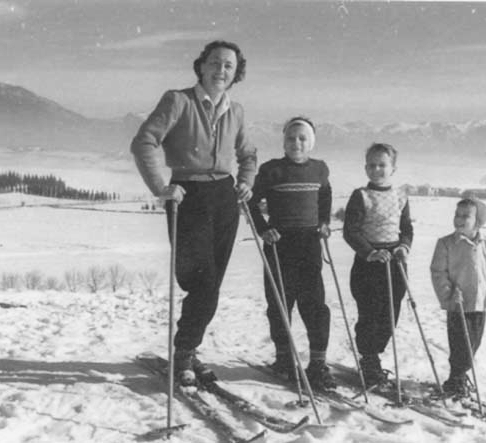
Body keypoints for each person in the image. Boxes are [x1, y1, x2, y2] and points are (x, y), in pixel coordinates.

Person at [130, 40, 257, 386]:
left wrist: (245, 182)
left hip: (224, 197)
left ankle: (188, 350)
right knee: (199, 281)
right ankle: (184, 351)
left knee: (211, 285)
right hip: (188, 195)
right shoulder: (178, 100)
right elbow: (144, 141)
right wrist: (161, 188)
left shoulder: (237, 110)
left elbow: (248, 155)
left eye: (229, 65)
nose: (221, 70)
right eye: (215, 62)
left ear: (236, 73)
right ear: (201, 66)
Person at [247, 116, 336, 390]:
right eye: (290, 137)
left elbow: (325, 197)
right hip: (279, 244)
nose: (296, 143)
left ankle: (318, 363)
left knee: (315, 305)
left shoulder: (320, 169)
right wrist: (263, 229)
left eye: (302, 138)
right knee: (279, 304)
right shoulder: (271, 170)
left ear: (311, 142)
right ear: (283, 141)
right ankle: (284, 358)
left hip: (309, 243)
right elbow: (251, 201)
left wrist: (324, 223)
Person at [343, 143, 413, 389]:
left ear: (393, 168)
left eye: (382, 165)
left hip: (394, 262)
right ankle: (368, 358)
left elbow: (406, 229)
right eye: (371, 165)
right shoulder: (361, 196)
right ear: (365, 168)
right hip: (368, 263)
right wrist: (370, 252)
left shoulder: (401, 196)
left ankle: (377, 352)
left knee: (390, 311)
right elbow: (350, 231)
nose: (376, 169)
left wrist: (404, 246)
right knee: (370, 311)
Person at [430, 198, 486, 398]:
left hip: (480, 303)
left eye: (466, 216)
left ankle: (460, 376)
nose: (459, 219)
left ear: (478, 221)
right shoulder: (446, 243)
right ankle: (456, 380)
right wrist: (448, 294)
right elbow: (438, 272)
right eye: (457, 215)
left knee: (473, 345)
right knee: (460, 345)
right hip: (458, 304)